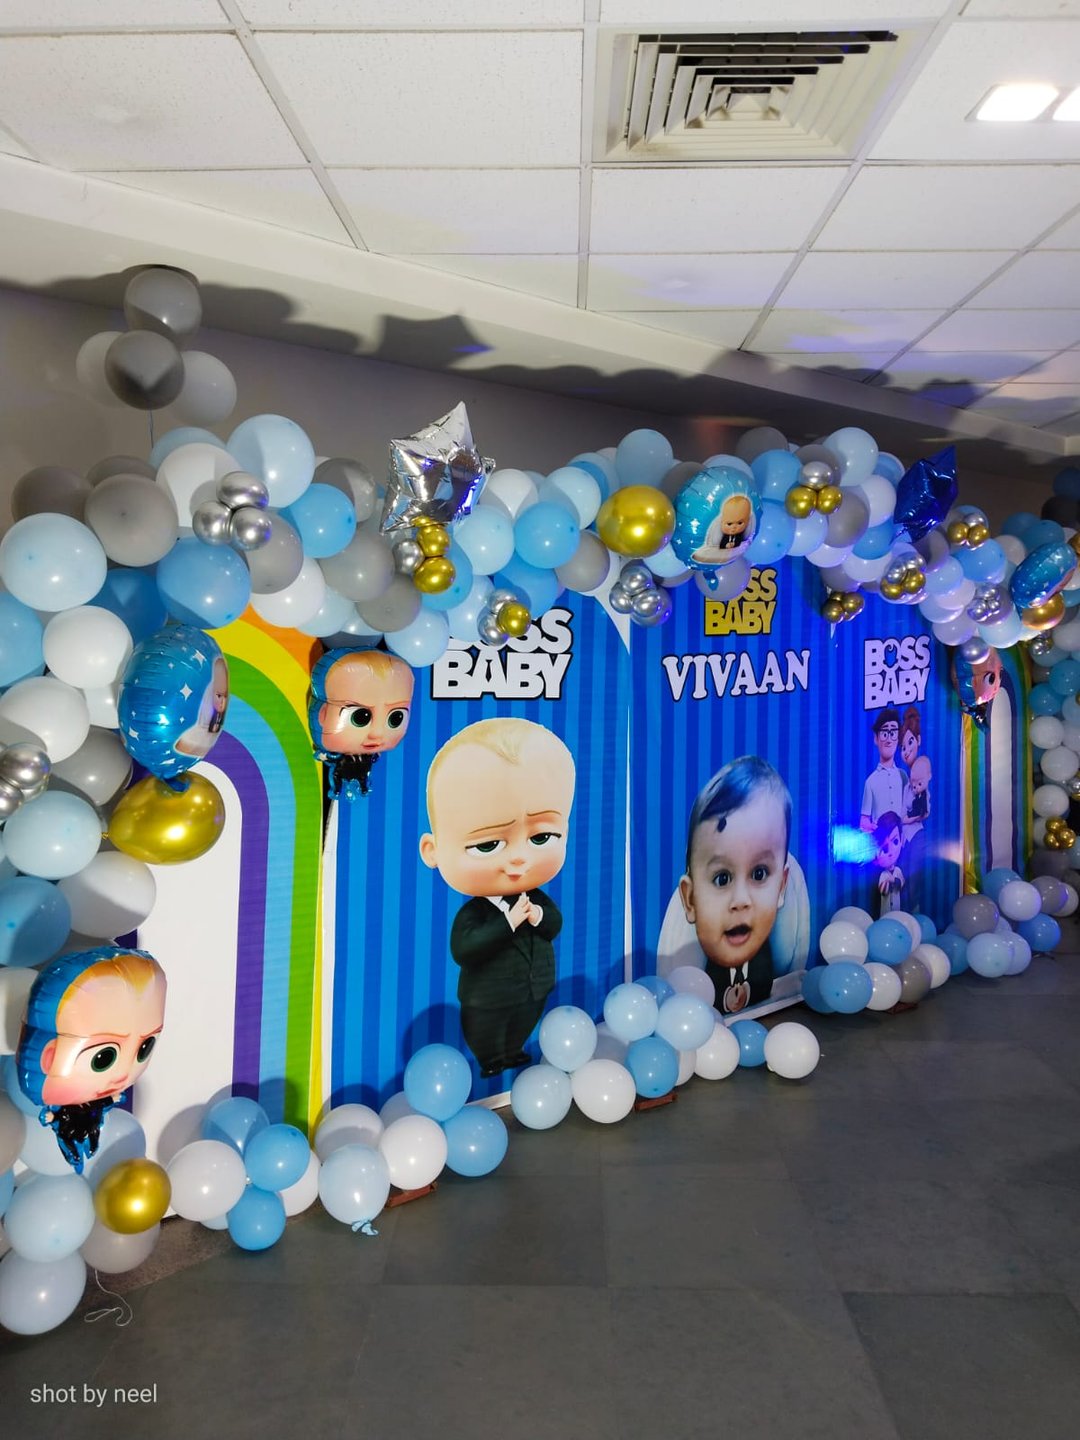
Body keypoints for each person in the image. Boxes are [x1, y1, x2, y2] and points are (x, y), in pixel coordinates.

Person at [420, 718, 576, 1078]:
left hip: (534, 987)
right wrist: (509, 922)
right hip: (486, 998)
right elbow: (465, 949)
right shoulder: (474, 914)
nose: (519, 858)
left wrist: (537, 916)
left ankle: (513, 1049)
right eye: (488, 844)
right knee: (487, 1028)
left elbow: (554, 924)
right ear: (433, 850)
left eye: (541, 838)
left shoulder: (535, 899)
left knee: (524, 1019)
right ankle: (491, 1058)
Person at [16, 947, 167, 1172]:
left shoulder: (97, 1101)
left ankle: (84, 1153)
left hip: (88, 1119)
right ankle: (78, 1156)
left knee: (91, 1137)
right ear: (49, 1056)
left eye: (144, 1047)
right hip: (67, 1123)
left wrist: (112, 1098)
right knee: (74, 1141)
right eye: (102, 1058)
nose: (122, 1074)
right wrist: (50, 1115)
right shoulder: (63, 1105)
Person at [678, 755, 790, 1015]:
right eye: (722, 878)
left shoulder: (764, 958)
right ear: (690, 899)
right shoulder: (699, 972)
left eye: (759, 874)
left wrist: (747, 992)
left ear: (781, 887)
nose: (741, 900)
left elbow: (764, 982)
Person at [310, 649, 415, 800]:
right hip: (342, 766)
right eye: (360, 717)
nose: (377, 733)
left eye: (396, 718)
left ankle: (361, 788)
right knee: (340, 776)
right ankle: (340, 789)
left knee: (360, 777)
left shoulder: (369, 755)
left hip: (356, 768)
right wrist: (324, 755)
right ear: (323, 713)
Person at [860, 707, 907, 832]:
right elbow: (864, 820)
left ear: (898, 738)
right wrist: (875, 829)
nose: (889, 740)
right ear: (876, 738)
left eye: (893, 733)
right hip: (882, 841)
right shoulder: (871, 781)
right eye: (884, 733)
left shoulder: (903, 776)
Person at [175, 654, 230, 758]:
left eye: (225, 697)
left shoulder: (220, 731)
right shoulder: (193, 737)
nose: (222, 702)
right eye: (219, 696)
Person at [692, 494, 754, 565]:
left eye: (740, 523)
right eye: (729, 524)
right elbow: (721, 543)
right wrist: (726, 545)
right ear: (721, 522)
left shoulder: (742, 535)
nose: (734, 527)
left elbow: (740, 541)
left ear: (748, 521)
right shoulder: (719, 534)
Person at [872, 811, 905, 915]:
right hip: (884, 913)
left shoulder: (898, 871)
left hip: (897, 912)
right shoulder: (883, 874)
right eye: (885, 848)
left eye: (895, 842)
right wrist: (886, 882)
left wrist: (893, 880)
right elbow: (883, 891)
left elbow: (901, 884)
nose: (890, 852)